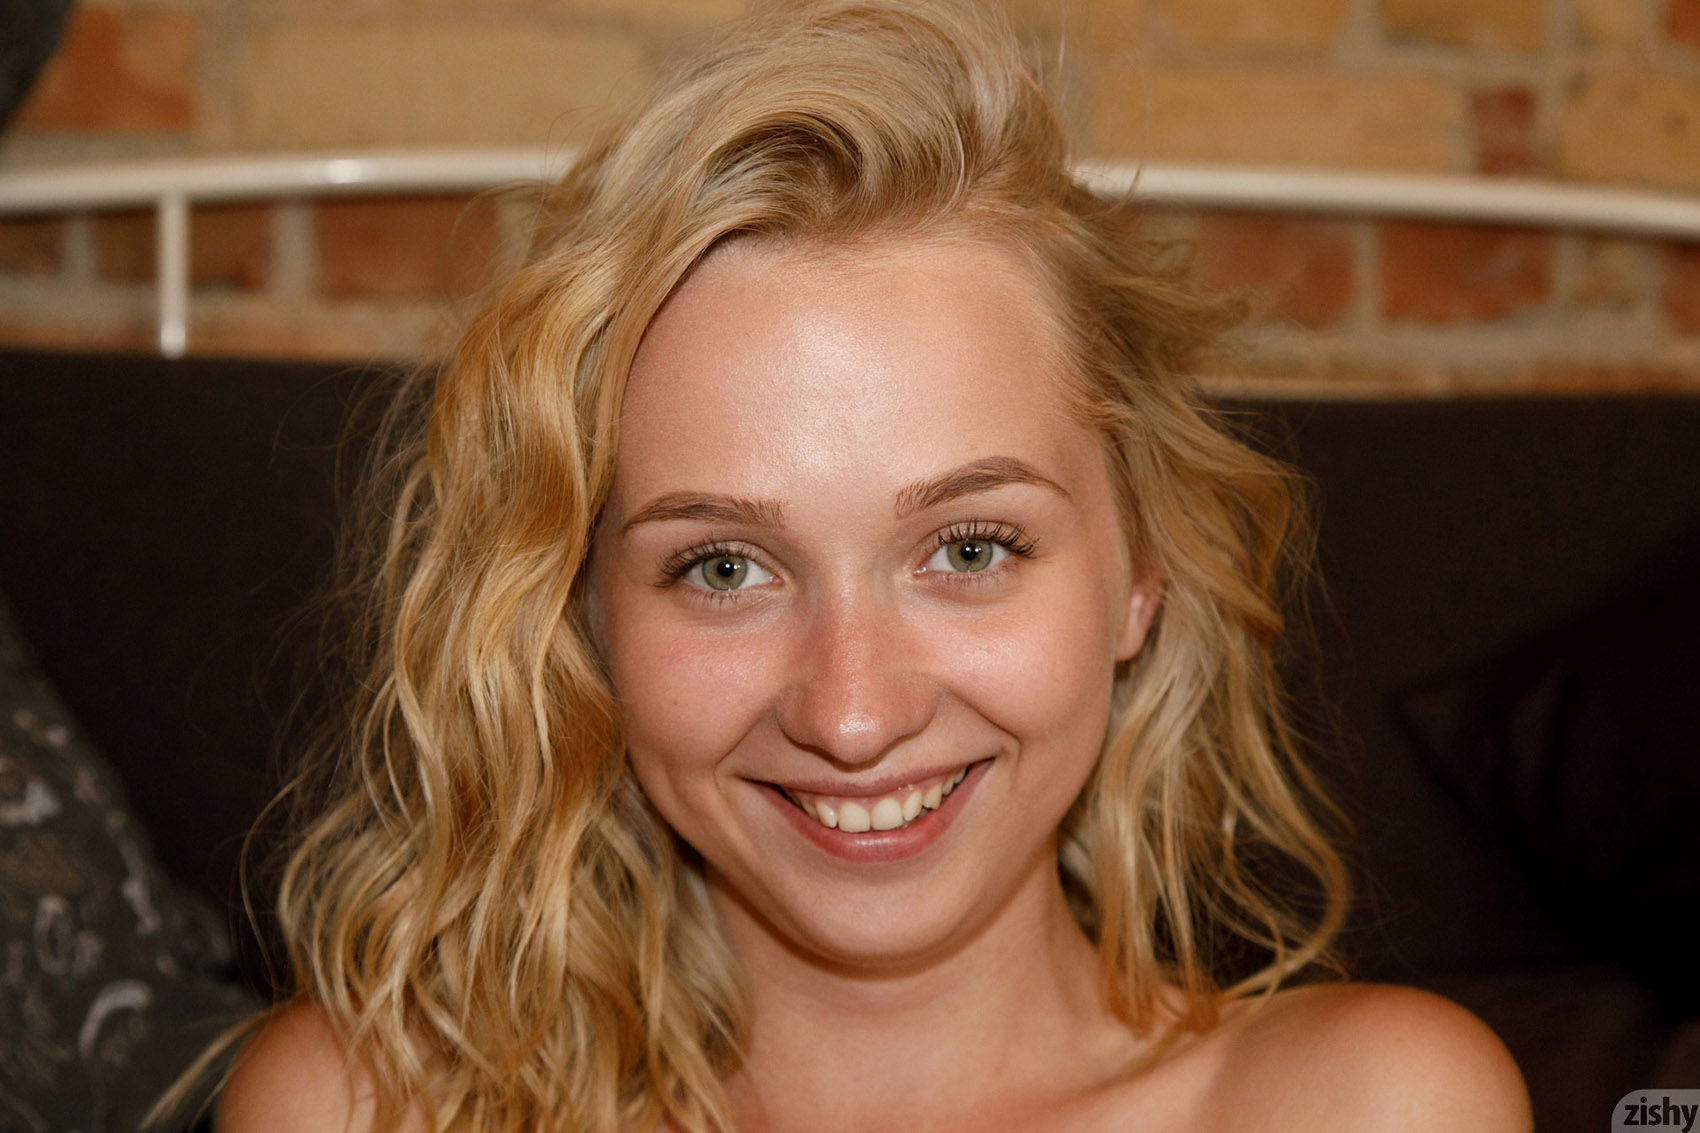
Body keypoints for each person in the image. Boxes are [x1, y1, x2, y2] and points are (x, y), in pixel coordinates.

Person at [211, 1, 1532, 1129]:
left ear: (1144, 569)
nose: (853, 714)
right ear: (584, 618)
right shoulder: (357, 1110)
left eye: (969, 547)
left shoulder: (1372, 1105)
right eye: (724, 569)